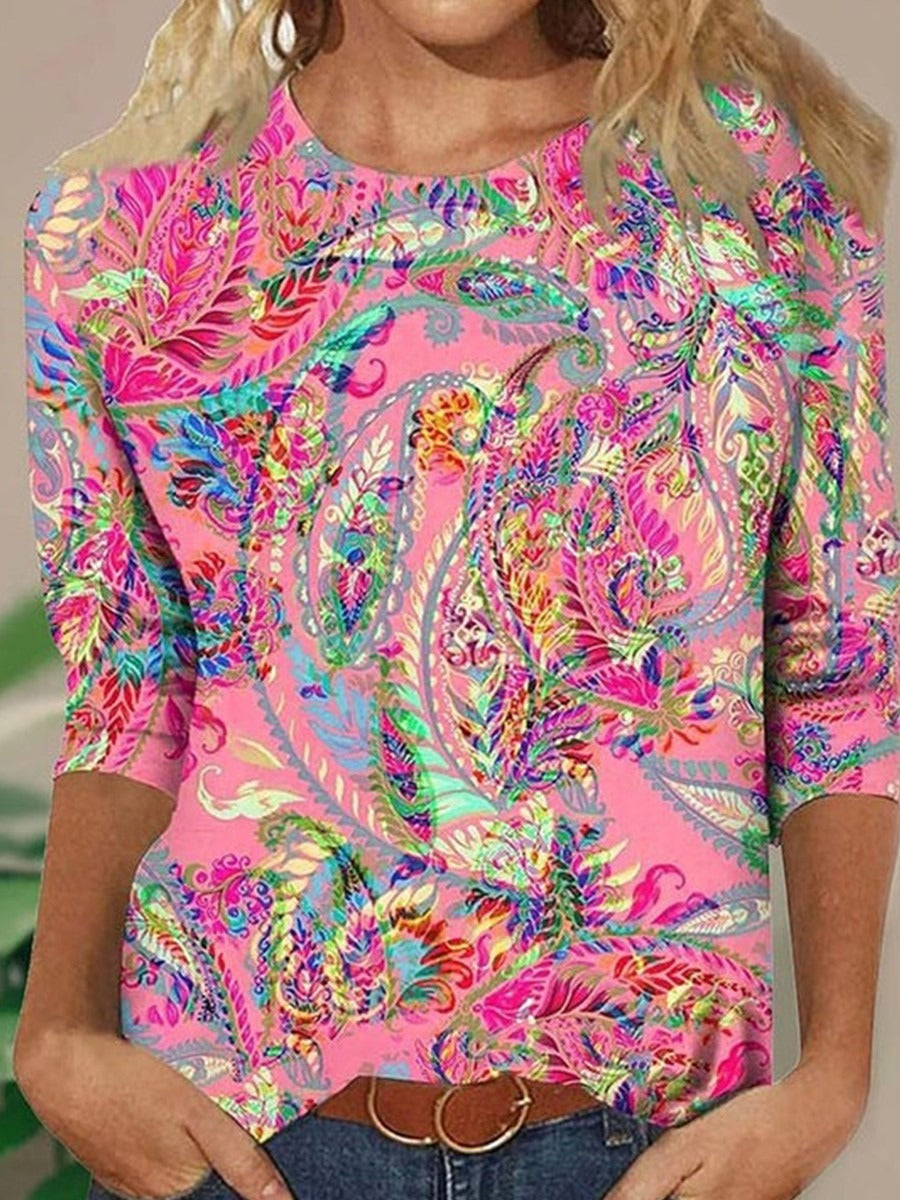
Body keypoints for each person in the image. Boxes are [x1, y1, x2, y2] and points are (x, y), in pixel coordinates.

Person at [13, 1, 900, 1199]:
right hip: (242, 1141)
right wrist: (56, 1033)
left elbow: (840, 662)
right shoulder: (129, 233)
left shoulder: (743, 188)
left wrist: (834, 1076)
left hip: (644, 1146)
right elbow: (128, 680)